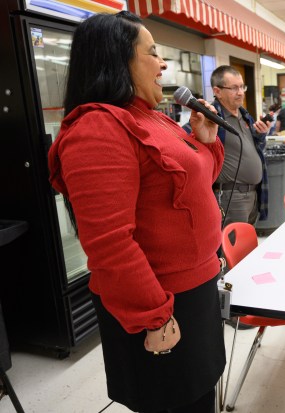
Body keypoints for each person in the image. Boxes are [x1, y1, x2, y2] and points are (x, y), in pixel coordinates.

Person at [47, 11, 225, 413]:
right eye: (153, 53)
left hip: (194, 290)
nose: (164, 64)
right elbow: (109, 244)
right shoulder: (99, 127)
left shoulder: (152, 117)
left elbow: (197, 183)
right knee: (175, 401)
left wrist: (207, 141)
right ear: (117, 60)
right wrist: (156, 316)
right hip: (159, 300)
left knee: (201, 396)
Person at [210, 65, 271, 228]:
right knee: (233, 249)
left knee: (247, 247)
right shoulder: (211, 118)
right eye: (234, 88)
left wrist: (261, 135)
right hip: (231, 196)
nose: (241, 92)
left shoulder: (245, 117)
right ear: (217, 91)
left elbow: (255, 149)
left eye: (242, 87)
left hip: (253, 194)